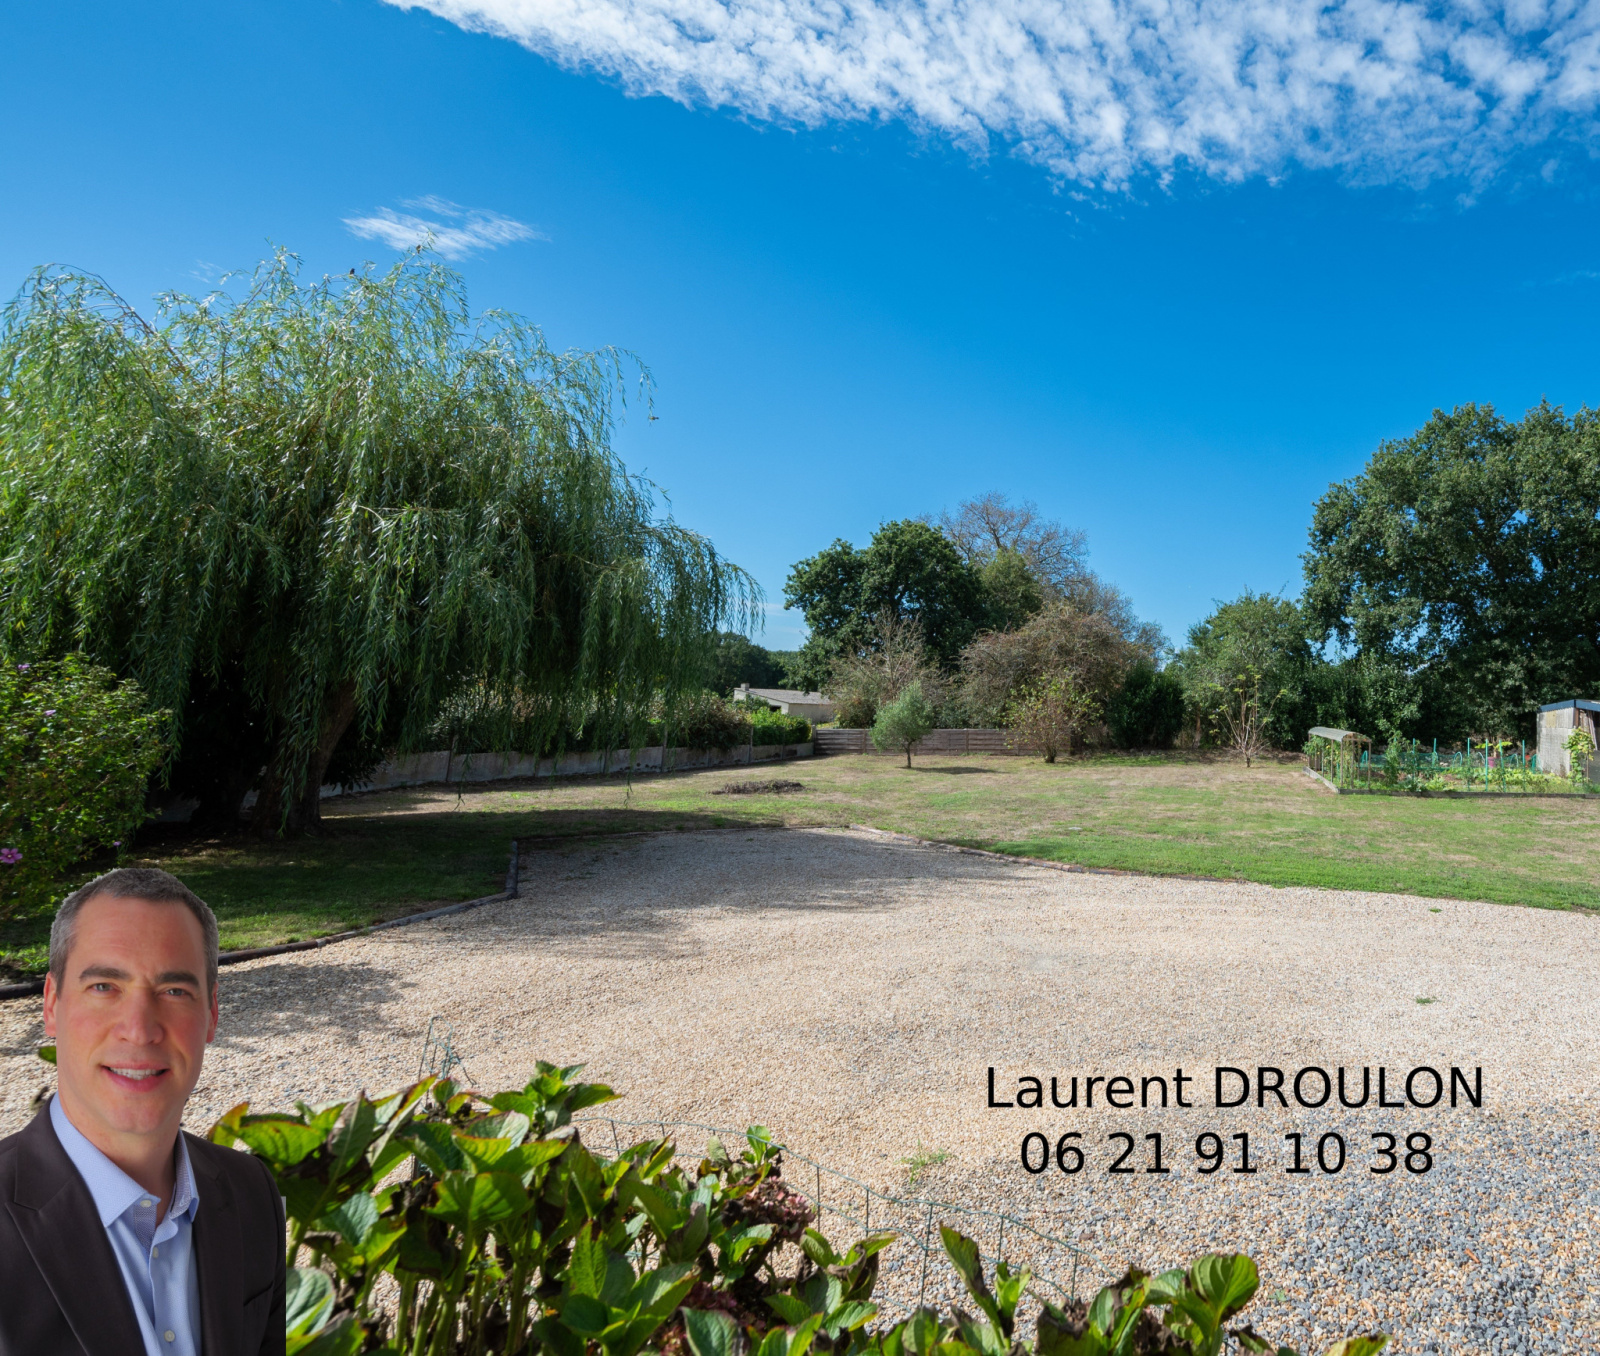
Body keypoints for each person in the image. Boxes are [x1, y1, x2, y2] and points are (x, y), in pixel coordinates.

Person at [0, 867, 285, 1355]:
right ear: (51, 1005)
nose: (139, 1029)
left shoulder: (252, 1193)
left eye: (174, 991)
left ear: (212, 1014)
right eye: (104, 986)